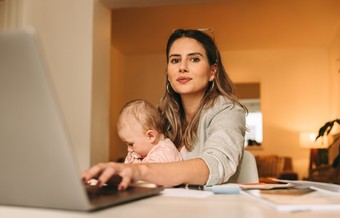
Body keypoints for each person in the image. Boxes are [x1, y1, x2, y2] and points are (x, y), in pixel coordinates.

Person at [82, 29, 247, 190]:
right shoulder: (161, 119)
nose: (182, 67)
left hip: (212, 211)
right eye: (175, 60)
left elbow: (216, 164)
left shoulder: (229, 111)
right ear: (168, 74)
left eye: (194, 59)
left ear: (212, 71)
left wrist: (140, 171)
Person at [117, 99, 182, 164]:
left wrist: (135, 165)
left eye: (131, 144)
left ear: (150, 136)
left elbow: (150, 172)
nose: (129, 149)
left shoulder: (165, 154)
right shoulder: (148, 152)